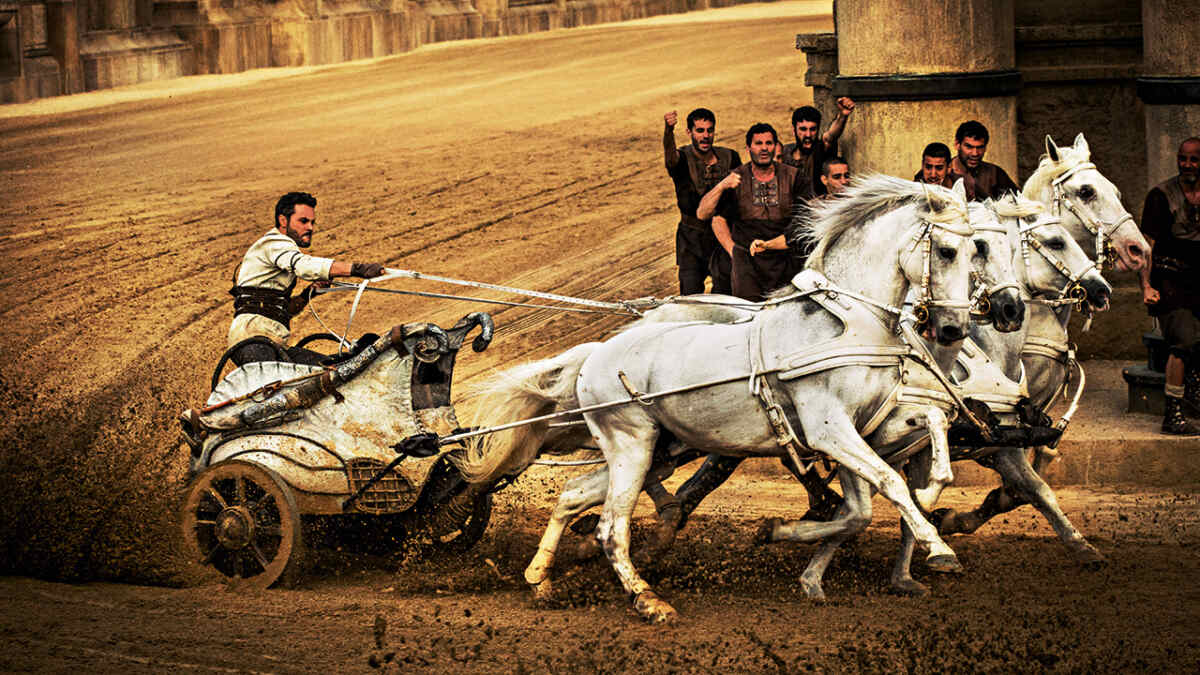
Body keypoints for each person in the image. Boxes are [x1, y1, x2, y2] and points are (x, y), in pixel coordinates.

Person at [227, 191, 386, 366]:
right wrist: (359, 269)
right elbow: (304, 265)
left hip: (271, 344)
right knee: (328, 375)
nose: (310, 227)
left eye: (312, 222)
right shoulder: (274, 243)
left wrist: (307, 295)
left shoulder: (279, 252)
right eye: (303, 221)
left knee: (334, 369)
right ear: (283, 221)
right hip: (253, 343)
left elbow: (281, 308)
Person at [698, 123, 806, 301]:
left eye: (769, 143)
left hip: (784, 259)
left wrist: (777, 243)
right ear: (748, 148)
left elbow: (804, 220)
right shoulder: (735, 178)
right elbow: (715, 219)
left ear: (775, 146)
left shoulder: (795, 177)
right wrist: (734, 252)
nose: (764, 148)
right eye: (758, 143)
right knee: (747, 314)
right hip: (747, 264)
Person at [1140, 137, 1200, 435]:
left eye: (1194, 160)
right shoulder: (1161, 195)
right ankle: (1172, 414)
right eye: (1183, 159)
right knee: (1184, 341)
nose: (1187, 165)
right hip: (1170, 279)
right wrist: (1146, 286)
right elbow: (1146, 247)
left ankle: (1194, 396)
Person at [663, 108, 742, 295]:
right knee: (690, 298)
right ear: (689, 132)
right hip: (691, 239)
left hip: (721, 236)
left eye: (709, 130)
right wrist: (668, 131)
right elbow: (670, 157)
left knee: (724, 294)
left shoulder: (729, 157)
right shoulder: (682, 159)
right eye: (700, 131)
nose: (705, 136)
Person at [779, 97, 855, 198]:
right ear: (794, 130)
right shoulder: (784, 153)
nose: (808, 134)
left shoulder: (820, 150)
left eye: (813, 129)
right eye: (803, 129)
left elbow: (830, 136)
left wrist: (842, 116)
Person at [948, 120, 1018, 201]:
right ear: (957, 145)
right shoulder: (943, 172)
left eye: (980, 147)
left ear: (985, 148)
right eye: (969, 147)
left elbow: (1018, 201)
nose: (975, 153)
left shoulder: (995, 173)